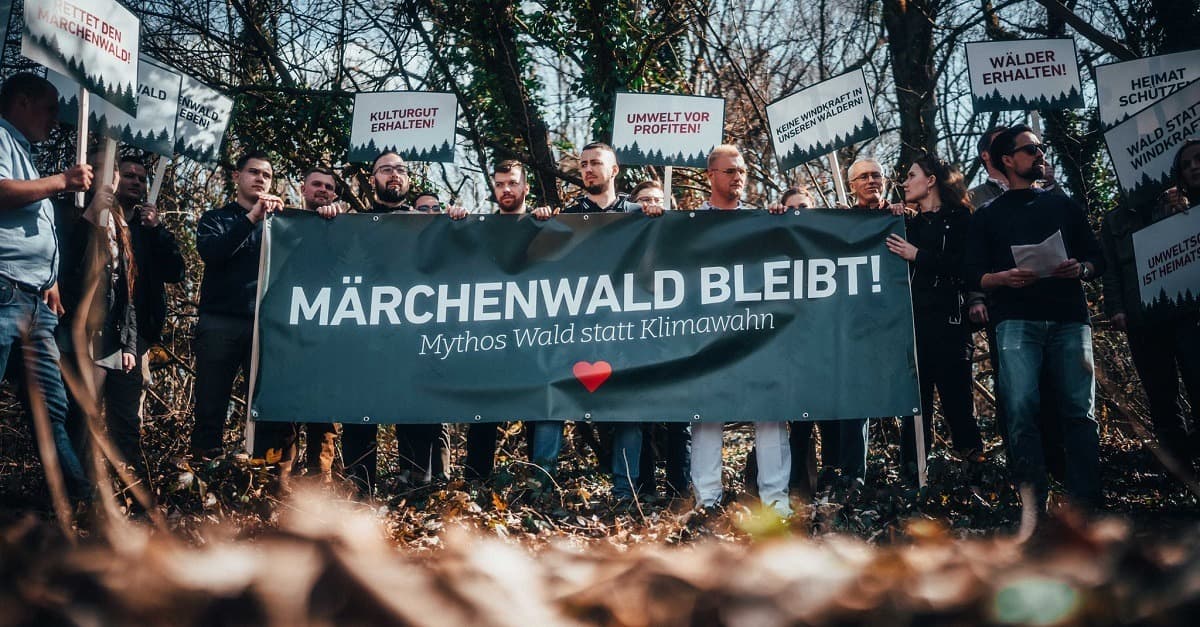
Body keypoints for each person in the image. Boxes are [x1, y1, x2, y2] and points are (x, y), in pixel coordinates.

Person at [963, 124, 1105, 512]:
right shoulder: (986, 215)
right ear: (1007, 160)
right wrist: (1002, 278)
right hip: (1015, 322)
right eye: (1030, 150)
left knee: (1080, 410)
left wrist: (1082, 270)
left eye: (1040, 148)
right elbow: (973, 274)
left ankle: (1086, 504)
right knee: (1022, 408)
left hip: (1069, 320)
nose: (1040, 154)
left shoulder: (1063, 205)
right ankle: (1033, 504)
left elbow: (1097, 257)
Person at [531, 142, 663, 501]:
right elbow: (542, 263)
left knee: (628, 410)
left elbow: (664, 260)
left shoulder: (640, 213)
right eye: (583, 164)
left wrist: (661, 219)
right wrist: (540, 224)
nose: (588, 169)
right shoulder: (567, 216)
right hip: (574, 330)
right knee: (551, 403)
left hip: (625, 331)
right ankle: (540, 490)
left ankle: (625, 493)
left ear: (614, 170)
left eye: (596, 164)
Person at [0, 72, 92, 499]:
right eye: (50, 109)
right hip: (4, 292)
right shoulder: (0, 137)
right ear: (21, 101)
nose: (56, 121)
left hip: (34, 300)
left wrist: (50, 279)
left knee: (50, 406)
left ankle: (77, 501)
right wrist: (61, 181)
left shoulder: (23, 150)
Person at [689, 144, 791, 516]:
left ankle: (776, 503)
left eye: (743, 170)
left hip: (755, 333)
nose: (738, 177)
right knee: (706, 414)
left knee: (770, 411)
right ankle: (707, 501)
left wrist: (785, 220)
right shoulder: (689, 225)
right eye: (730, 171)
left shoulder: (760, 220)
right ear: (710, 176)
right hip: (708, 334)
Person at [1101, 139, 1200, 471]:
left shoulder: (1176, 202)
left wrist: (1182, 206)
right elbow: (1110, 270)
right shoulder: (1113, 221)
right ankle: (1181, 473)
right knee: (1161, 396)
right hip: (1142, 319)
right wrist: (1116, 308)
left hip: (1186, 314)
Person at [885, 155, 984, 476]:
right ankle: (914, 479)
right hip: (912, 327)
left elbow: (966, 267)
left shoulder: (962, 219)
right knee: (916, 408)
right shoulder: (908, 223)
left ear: (931, 180)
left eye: (911, 175)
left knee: (958, 403)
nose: (905, 182)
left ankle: (976, 475)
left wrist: (919, 256)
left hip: (951, 324)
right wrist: (889, 217)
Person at [190, 152, 284, 462]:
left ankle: (262, 476)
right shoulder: (216, 219)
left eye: (266, 175)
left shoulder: (279, 225)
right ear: (237, 177)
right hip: (220, 324)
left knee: (266, 404)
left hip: (265, 326)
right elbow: (213, 253)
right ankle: (204, 473)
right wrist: (251, 219)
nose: (260, 179)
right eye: (253, 172)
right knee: (210, 402)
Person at [56, 150, 142, 479]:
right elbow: (66, 270)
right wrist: (91, 216)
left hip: (108, 337)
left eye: (114, 173)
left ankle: (96, 489)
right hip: (74, 331)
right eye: (101, 171)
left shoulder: (120, 224)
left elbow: (126, 289)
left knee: (95, 416)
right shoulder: (69, 212)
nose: (110, 179)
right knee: (75, 415)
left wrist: (129, 344)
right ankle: (71, 491)